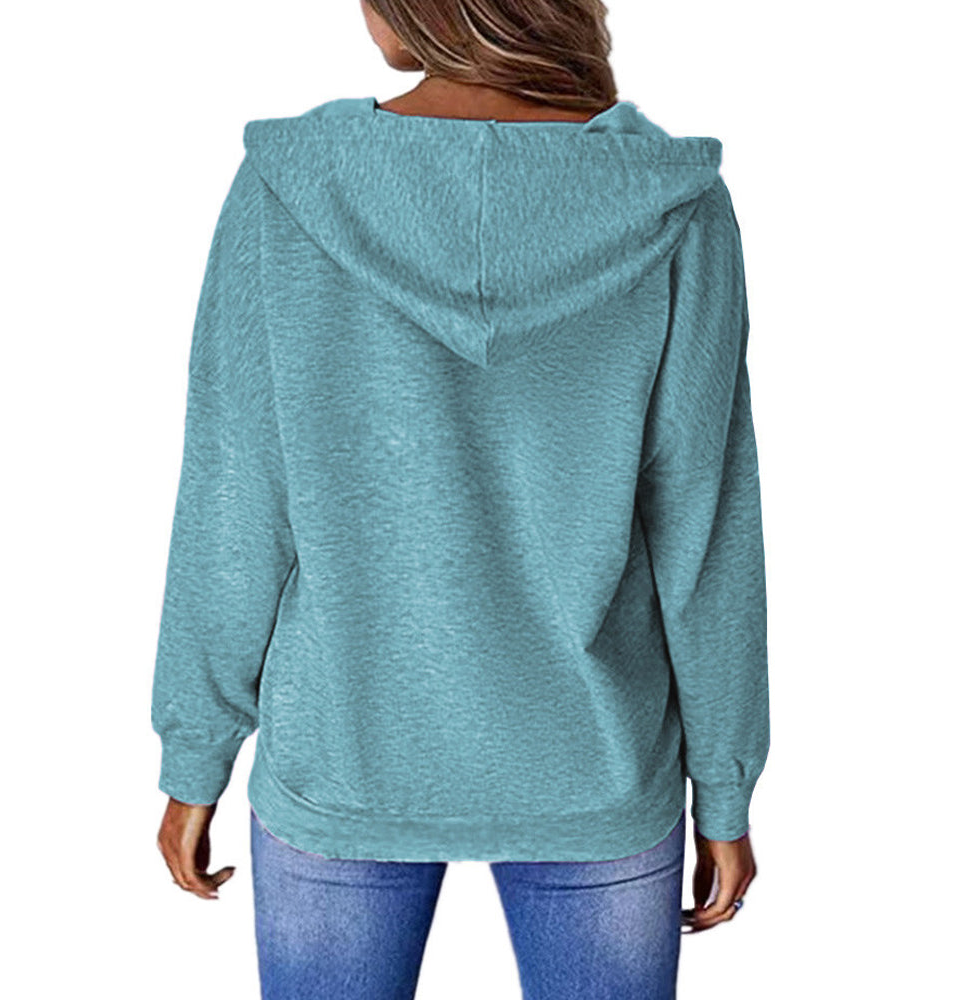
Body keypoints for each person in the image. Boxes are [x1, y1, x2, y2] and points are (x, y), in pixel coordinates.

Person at [151, 1, 770, 996]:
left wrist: (196, 755)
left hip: (344, 750)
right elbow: (703, 526)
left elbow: (235, 499)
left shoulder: (291, 189)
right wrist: (726, 787)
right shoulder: (668, 203)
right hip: (597, 761)